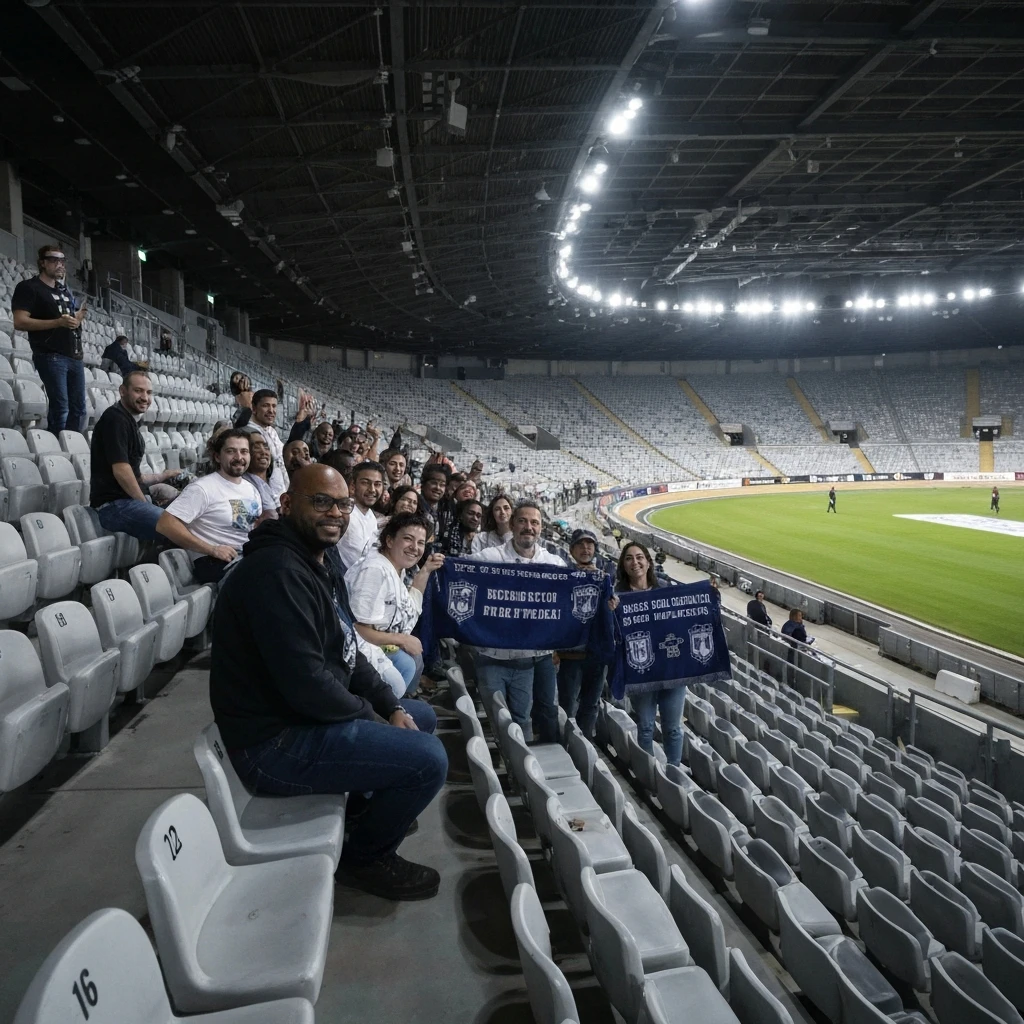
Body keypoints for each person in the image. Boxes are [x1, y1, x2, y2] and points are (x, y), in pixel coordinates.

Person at [209, 464, 447, 901]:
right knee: (428, 760)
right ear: (286, 504)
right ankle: (366, 860)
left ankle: (362, 810)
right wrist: (373, 717)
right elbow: (308, 685)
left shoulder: (312, 563)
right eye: (321, 501)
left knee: (419, 715)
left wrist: (389, 706)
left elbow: (349, 656)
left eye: (342, 504)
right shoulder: (276, 573)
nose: (335, 512)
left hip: (299, 719)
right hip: (273, 743)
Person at [472, 501, 564, 743]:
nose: (528, 527)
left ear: (541, 528)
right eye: (522, 521)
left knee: (523, 719)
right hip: (492, 655)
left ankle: (526, 772)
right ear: (511, 524)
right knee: (498, 721)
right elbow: (460, 574)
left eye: (534, 522)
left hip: (528, 658)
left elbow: (571, 599)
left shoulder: (554, 563)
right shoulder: (490, 557)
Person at [346, 512, 445, 696]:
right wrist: (402, 640)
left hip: (378, 646)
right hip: (356, 654)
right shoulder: (375, 570)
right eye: (408, 539)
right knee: (405, 671)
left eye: (421, 543)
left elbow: (411, 601)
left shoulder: (396, 566)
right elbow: (358, 630)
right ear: (390, 541)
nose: (415, 548)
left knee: (413, 661)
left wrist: (426, 570)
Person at [156, 429, 261, 584]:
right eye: (231, 451)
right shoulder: (203, 488)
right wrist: (212, 549)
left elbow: (246, 529)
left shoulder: (251, 490)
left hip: (243, 557)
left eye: (244, 452)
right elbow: (165, 524)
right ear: (218, 457)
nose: (239, 457)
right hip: (213, 561)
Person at [614, 541, 686, 766]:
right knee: (645, 727)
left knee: (673, 728)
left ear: (648, 562)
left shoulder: (666, 588)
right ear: (623, 566)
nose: (634, 562)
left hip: (671, 671)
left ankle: (672, 775)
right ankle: (649, 775)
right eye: (629, 558)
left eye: (639, 557)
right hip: (640, 671)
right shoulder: (617, 596)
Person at [89, 370, 182, 539]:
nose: (145, 397)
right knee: (176, 526)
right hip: (114, 506)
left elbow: (134, 475)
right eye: (138, 390)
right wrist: (144, 502)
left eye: (148, 392)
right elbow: (121, 471)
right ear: (123, 391)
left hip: (125, 501)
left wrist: (163, 476)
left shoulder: (127, 420)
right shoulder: (115, 419)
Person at [11, 244, 87, 435]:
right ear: (42, 263)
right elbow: (20, 322)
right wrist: (57, 322)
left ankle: (72, 448)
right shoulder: (29, 287)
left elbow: (66, 321)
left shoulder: (64, 291)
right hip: (50, 355)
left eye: (62, 260)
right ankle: (59, 446)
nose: (60, 264)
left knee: (79, 410)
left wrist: (76, 318)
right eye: (54, 260)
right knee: (61, 408)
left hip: (74, 355)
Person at [557, 528, 611, 740]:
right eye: (580, 544)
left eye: (590, 545)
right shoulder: (563, 578)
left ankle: (585, 747)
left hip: (596, 655)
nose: (585, 548)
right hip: (570, 655)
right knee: (568, 704)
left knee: (591, 705)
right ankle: (567, 745)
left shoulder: (605, 579)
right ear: (571, 550)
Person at [235, 389, 287, 505]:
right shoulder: (248, 432)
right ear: (254, 408)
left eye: (274, 406)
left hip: (279, 493)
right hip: (260, 494)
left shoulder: (271, 431)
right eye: (266, 406)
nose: (271, 411)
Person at [337, 460, 384, 569]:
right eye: (365, 483)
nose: (372, 489)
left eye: (377, 484)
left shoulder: (371, 516)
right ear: (353, 486)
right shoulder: (343, 513)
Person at [243, 430, 278, 520]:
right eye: (256, 447)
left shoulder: (275, 479)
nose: (263, 452)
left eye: (266, 447)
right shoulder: (244, 485)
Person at [781, 608, 812, 684]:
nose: (801, 617)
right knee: (795, 668)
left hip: (791, 650)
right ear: (795, 616)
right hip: (795, 650)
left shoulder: (788, 624)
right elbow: (802, 638)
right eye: (800, 616)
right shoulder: (796, 627)